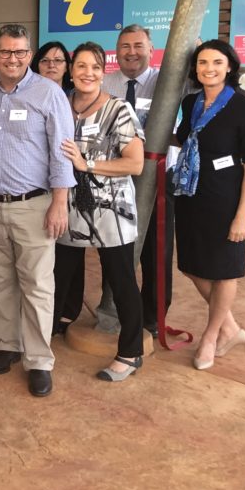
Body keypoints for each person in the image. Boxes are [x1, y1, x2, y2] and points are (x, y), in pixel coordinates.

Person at [0, 24, 75, 398]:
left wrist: (60, 201)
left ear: (29, 55)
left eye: (20, 53)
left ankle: (39, 359)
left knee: (38, 284)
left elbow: (62, 153)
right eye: (5, 52)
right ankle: (7, 344)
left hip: (35, 204)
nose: (13, 59)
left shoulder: (49, 93)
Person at [52, 43, 145, 382]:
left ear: (103, 71)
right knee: (59, 273)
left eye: (94, 66)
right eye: (80, 66)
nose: (86, 72)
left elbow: (134, 163)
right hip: (68, 207)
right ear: (70, 69)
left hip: (112, 211)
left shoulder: (118, 109)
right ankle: (50, 329)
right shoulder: (61, 105)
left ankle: (131, 352)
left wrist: (86, 163)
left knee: (121, 281)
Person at [172, 40, 245, 371]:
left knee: (224, 269)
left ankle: (211, 336)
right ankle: (231, 328)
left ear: (229, 66)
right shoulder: (191, 102)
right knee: (191, 265)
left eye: (216, 62)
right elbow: (183, 137)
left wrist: (242, 216)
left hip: (226, 198)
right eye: (201, 62)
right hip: (190, 193)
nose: (208, 68)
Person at [102, 24, 169, 334]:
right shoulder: (105, 82)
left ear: (150, 50)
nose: (131, 52)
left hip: (156, 182)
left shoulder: (167, 80)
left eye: (138, 45)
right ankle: (112, 310)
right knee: (115, 248)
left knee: (156, 253)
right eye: (125, 46)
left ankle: (153, 318)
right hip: (114, 181)